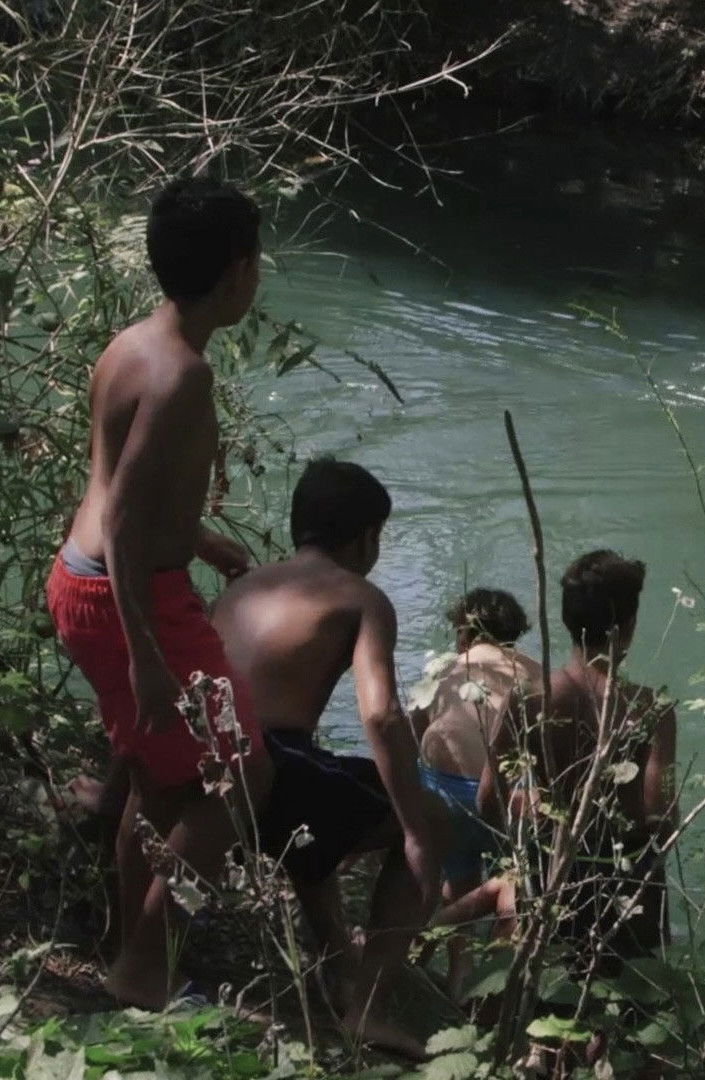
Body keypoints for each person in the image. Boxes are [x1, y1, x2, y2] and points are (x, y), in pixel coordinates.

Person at [45, 177, 275, 1010]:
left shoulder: (134, 344)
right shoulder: (183, 375)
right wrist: (145, 653)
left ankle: (129, 956)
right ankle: (146, 967)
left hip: (86, 579)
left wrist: (199, 539)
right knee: (240, 776)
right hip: (130, 597)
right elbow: (126, 518)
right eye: (257, 262)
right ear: (237, 270)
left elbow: (117, 484)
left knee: (161, 780)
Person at [212, 458, 443, 1058]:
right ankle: (368, 1009)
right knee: (429, 819)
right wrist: (414, 826)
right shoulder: (361, 597)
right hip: (273, 767)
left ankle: (337, 959)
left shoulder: (244, 586)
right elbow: (380, 716)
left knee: (323, 789)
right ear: (366, 537)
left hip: (213, 769)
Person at [478, 550, 677, 965]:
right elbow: (660, 815)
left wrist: (525, 826)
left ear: (567, 620)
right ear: (629, 625)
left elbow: (487, 800)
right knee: (635, 993)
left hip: (551, 873)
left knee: (549, 986)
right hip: (627, 884)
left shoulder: (528, 700)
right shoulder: (651, 709)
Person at [413, 588, 540, 998]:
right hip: (509, 798)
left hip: (448, 794)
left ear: (464, 631)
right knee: (513, 883)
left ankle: (458, 974)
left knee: (460, 878)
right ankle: (497, 986)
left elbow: (415, 733)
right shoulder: (535, 672)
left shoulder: (443, 670)